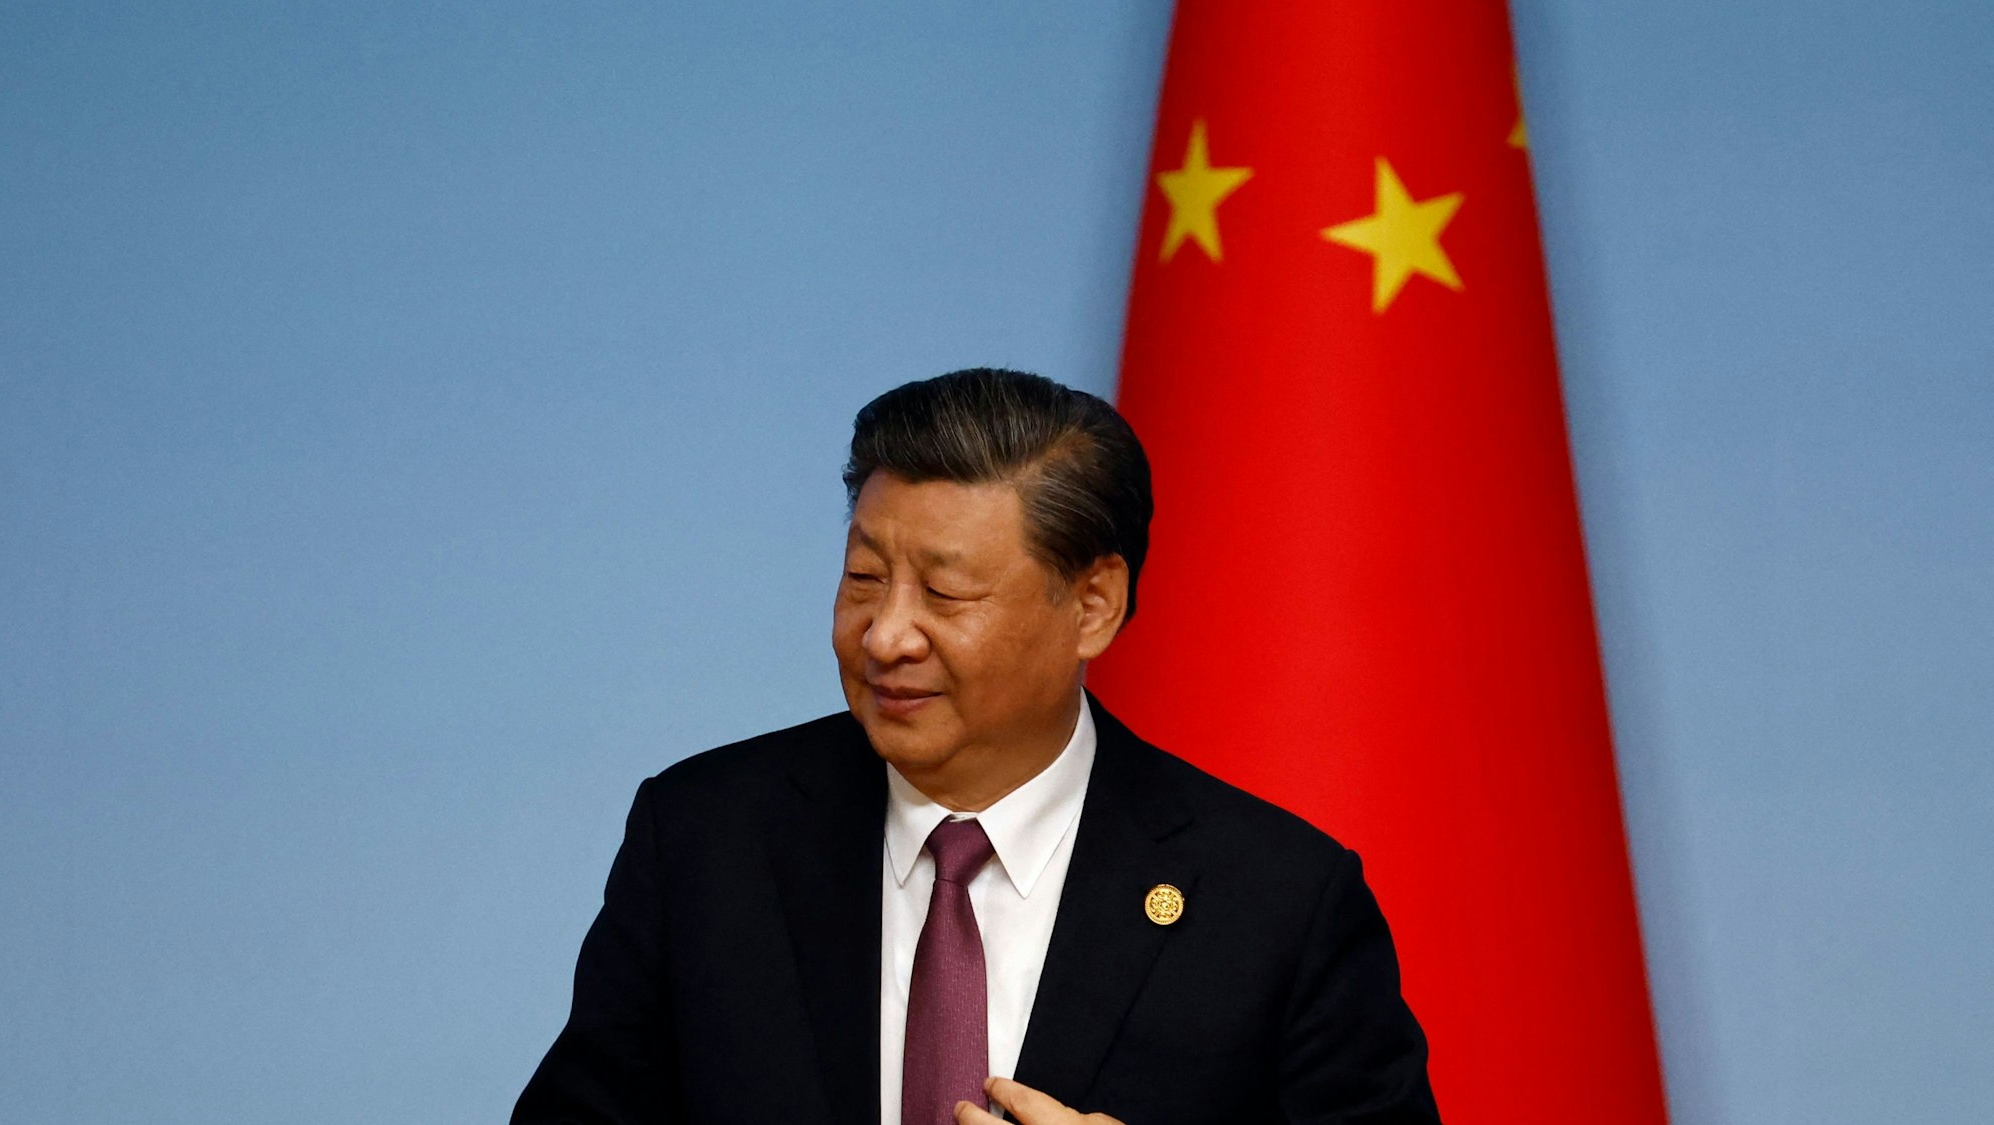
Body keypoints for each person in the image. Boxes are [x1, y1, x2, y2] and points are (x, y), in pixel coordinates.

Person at [514, 368, 1440, 1125]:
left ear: (1092, 604)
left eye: (946, 595)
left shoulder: (1276, 903)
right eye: (864, 579)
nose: (885, 636)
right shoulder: (706, 841)